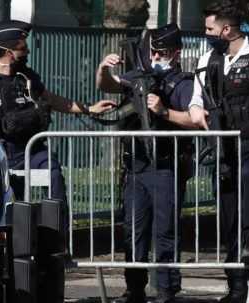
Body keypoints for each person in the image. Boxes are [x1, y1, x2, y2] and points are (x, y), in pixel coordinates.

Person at [0, 20, 115, 205]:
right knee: (14, 205)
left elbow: (53, 100)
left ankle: (58, 227)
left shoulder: (27, 77)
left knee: (53, 174)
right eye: (23, 49)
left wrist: (89, 109)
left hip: (32, 151)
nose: (28, 52)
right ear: (9, 53)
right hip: (2, 155)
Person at [188, 1, 249, 302]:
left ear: (226, 30)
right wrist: (195, 112)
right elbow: (196, 99)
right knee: (228, 213)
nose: (207, 34)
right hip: (223, 148)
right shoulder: (208, 59)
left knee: (248, 185)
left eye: (210, 29)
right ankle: (236, 287)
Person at [96, 23, 197, 303]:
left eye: (162, 52)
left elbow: (196, 120)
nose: (155, 58)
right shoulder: (139, 75)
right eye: (152, 51)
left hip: (165, 165)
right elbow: (109, 85)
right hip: (136, 165)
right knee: (133, 230)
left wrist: (164, 111)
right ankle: (135, 287)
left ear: (176, 53)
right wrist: (104, 68)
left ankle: (167, 288)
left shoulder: (183, 83)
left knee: (165, 231)